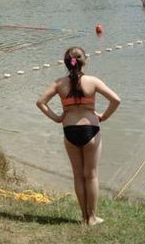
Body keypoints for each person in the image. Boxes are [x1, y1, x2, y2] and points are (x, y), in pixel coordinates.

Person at [36, 46, 120, 226]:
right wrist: (103, 116)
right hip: (90, 129)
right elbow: (116, 100)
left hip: (70, 130)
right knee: (91, 175)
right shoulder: (93, 81)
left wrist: (57, 118)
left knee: (77, 175)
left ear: (66, 63)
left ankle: (83, 216)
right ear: (85, 61)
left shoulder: (59, 83)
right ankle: (92, 217)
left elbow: (41, 102)